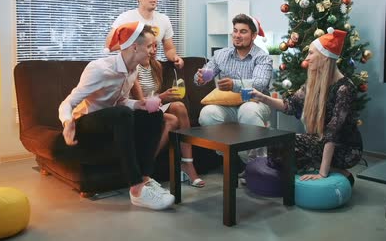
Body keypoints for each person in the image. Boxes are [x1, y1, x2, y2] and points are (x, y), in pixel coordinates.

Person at [59, 21, 175, 210]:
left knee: (153, 113)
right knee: (122, 114)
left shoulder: (132, 70)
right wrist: (67, 122)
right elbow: (68, 102)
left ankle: (145, 179)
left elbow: (120, 102)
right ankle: (136, 188)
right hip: (85, 122)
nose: (153, 51)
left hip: (112, 118)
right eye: (149, 46)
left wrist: (139, 104)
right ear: (135, 47)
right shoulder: (99, 68)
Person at [250, 28, 362, 186]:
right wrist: (262, 97)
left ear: (324, 57)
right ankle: (315, 166)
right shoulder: (313, 83)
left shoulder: (345, 88)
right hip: (320, 140)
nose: (307, 58)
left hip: (345, 148)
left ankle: (337, 171)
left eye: (311, 53)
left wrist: (322, 174)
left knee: (289, 154)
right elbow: (290, 105)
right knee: (276, 149)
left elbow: (333, 133)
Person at [194, 13, 273, 162]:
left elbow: (260, 84)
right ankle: (231, 159)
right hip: (228, 106)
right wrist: (200, 78)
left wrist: (234, 84)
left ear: (254, 35)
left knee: (247, 110)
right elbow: (204, 74)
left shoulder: (262, 57)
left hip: (257, 103)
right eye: (235, 30)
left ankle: (256, 164)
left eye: (243, 31)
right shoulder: (221, 55)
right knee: (207, 113)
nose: (237, 35)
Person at [131, 48, 205, 188]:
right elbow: (140, 101)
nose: (153, 50)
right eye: (149, 46)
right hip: (138, 109)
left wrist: (165, 98)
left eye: (155, 46)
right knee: (172, 120)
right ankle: (145, 168)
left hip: (154, 106)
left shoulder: (156, 66)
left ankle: (187, 163)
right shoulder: (132, 68)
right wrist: (162, 97)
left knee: (179, 106)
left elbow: (155, 96)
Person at [106, 0, 184, 69]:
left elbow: (169, 49)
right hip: (127, 69)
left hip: (151, 71)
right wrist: (137, 45)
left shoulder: (164, 20)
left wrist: (175, 57)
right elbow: (109, 45)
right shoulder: (125, 18)